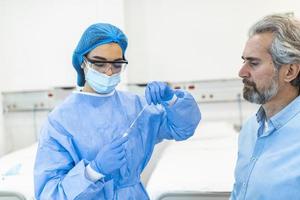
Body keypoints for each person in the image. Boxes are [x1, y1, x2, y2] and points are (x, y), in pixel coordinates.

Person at [34, 23, 201, 199]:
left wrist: (171, 99)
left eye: (117, 64)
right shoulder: (60, 121)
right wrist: (92, 172)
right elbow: (49, 194)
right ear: (82, 62)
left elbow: (183, 129)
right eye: (99, 63)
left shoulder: (136, 106)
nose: (108, 72)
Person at [231, 14, 300, 200]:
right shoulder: (250, 129)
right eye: (244, 61)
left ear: (290, 71)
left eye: (253, 63)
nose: (242, 72)